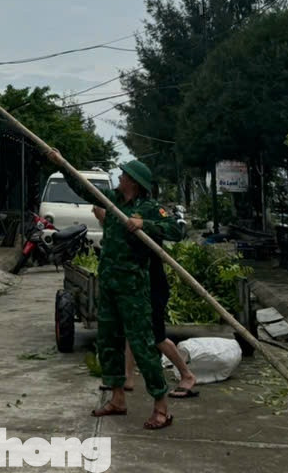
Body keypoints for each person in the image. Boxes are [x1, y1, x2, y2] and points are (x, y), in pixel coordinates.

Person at [82, 159, 177, 430]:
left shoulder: (148, 207)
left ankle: (161, 407)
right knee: (108, 341)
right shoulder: (112, 200)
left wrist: (144, 223)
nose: (120, 178)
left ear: (133, 182)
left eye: (124, 175)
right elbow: (84, 190)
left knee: (143, 345)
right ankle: (117, 399)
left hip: (133, 289)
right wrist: (61, 164)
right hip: (109, 285)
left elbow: (176, 229)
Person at [122, 242, 201, 399]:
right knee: (131, 331)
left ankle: (187, 375)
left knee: (157, 337)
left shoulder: (148, 227)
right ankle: (127, 377)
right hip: (138, 288)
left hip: (153, 289)